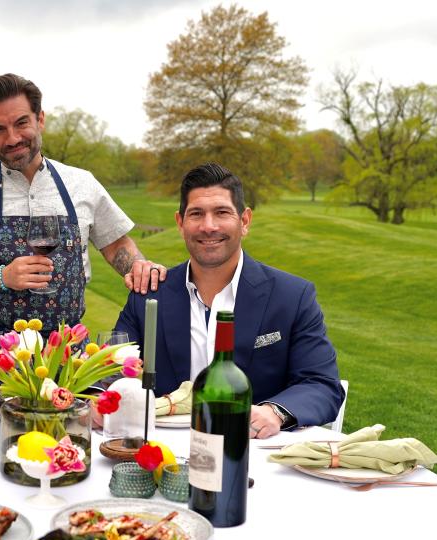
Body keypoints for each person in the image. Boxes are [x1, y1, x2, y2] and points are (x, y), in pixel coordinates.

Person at [0, 73, 166, 367]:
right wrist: (0, 277)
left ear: (40, 119)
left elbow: (116, 243)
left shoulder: (82, 184)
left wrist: (138, 268)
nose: (13, 138)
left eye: (21, 123)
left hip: (71, 361)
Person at [114, 163, 344, 439]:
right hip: (161, 451)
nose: (208, 226)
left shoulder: (292, 296)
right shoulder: (149, 295)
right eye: (196, 214)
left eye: (221, 213)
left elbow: (321, 383)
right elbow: (107, 374)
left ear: (244, 221)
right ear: (180, 223)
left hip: (253, 455)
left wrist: (275, 412)